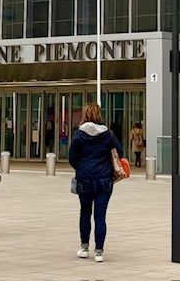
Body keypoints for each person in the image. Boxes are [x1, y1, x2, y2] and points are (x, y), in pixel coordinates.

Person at [69, 103, 123, 263]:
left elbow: (72, 157)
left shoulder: (79, 134)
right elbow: (120, 152)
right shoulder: (108, 134)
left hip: (84, 179)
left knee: (85, 213)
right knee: (100, 216)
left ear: (85, 115)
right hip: (104, 179)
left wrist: (81, 168)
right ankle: (99, 251)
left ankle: (84, 247)